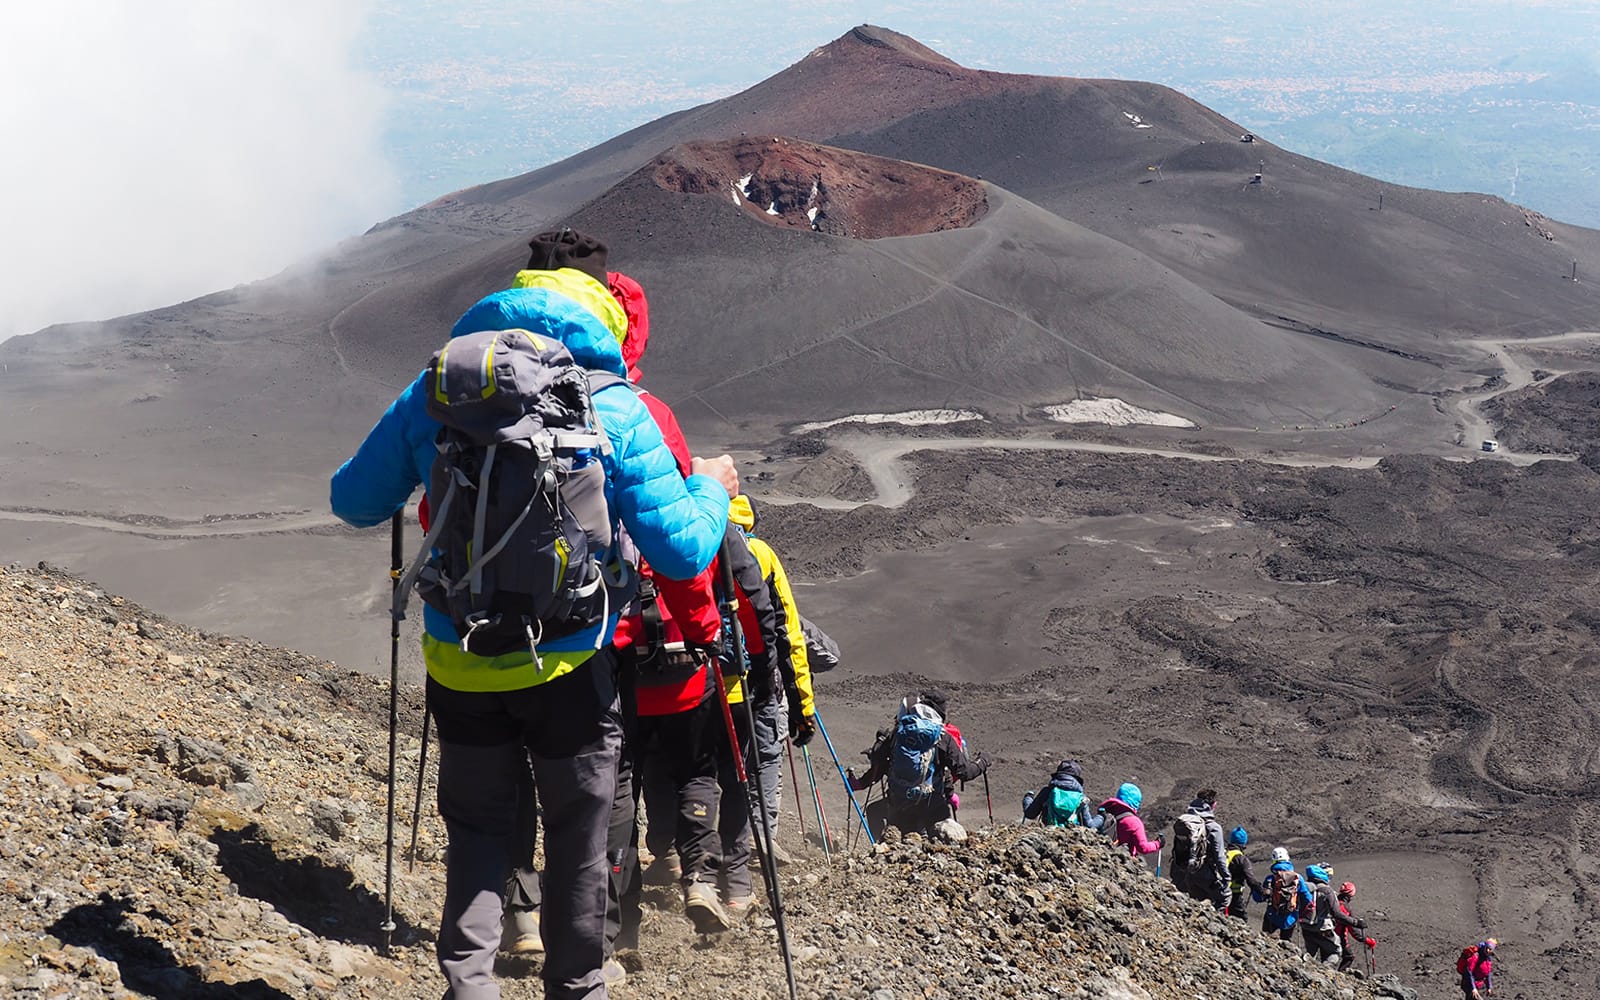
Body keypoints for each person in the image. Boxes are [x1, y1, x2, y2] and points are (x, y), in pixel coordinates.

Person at [330, 241, 736, 1000]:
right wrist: (712, 486)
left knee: (480, 830)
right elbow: (681, 552)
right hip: (572, 664)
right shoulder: (614, 404)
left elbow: (353, 501)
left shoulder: (438, 391)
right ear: (601, 315)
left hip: (462, 656)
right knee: (579, 840)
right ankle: (578, 986)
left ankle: (470, 986)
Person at [726, 494, 819, 847]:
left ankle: (693, 855)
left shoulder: (692, 544)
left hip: (703, 686)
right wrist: (802, 711)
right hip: (758, 686)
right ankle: (758, 845)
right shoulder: (760, 554)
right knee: (764, 762)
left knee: (706, 773)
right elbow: (788, 634)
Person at [847, 692, 990, 841]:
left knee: (898, 845)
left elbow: (879, 765)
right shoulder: (943, 736)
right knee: (938, 846)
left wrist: (859, 783)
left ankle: (878, 850)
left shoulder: (897, 734)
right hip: (933, 808)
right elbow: (964, 772)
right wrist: (984, 760)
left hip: (900, 807)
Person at [1170, 790, 1228, 910]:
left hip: (1181, 873)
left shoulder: (1185, 822)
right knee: (1224, 898)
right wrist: (1226, 878)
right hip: (1204, 875)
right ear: (1214, 805)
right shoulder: (1213, 828)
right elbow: (1219, 857)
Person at [1301, 863, 1360, 967]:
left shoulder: (1305, 887)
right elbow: (1337, 913)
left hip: (1306, 926)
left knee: (1310, 955)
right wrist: (1356, 922)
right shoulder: (1327, 890)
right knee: (1334, 952)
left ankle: (1306, 970)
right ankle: (1323, 972)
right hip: (1323, 928)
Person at [1022, 760, 1103, 828]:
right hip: (1072, 838)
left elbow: (1030, 814)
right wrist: (1101, 817)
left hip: (1048, 833)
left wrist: (1028, 798)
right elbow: (1090, 825)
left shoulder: (1047, 792)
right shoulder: (1081, 798)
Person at [1097, 783, 1163, 859]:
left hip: (1103, 854)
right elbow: (1143, 848)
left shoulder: (1106, 813)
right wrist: (1158, 844)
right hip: (1123, 861)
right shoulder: (1134, 822)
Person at [1261, 847, 1310, 941]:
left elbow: (1258, 897)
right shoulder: (1298, 878)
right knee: (1286, 942)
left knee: (1267, 940)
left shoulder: (1270, 879)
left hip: (1272, 916)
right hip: (1291, 917)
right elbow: (1307, 898)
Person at [1223, 826, 1265, 921]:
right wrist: (1262, 892)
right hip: (1234, 896)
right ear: (1243, 843)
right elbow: (1251, 880)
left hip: (1219, 892)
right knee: (1241, 920)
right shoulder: (1241, 859)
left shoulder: (1223, 854)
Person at [1334, 881, 1375, 973]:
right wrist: (1367, 940)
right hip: (1338, 935)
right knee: (1348, 956)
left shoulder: (1334, 901)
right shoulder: (1344, 907)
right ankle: (1339, 975)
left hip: (1327, 932)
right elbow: (1353, 929)